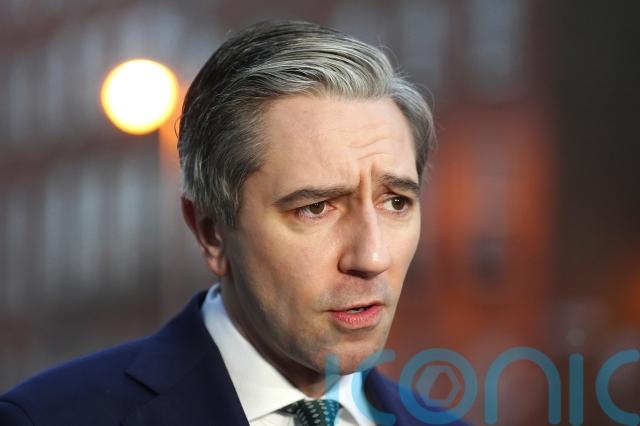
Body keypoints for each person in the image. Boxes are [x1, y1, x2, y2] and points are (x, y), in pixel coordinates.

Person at [0, 21, 466, 425]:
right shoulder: (47, 417)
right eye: (316, 208)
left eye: (396, 202)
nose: (373, 256)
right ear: (211, 232)